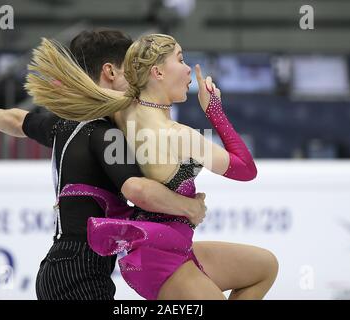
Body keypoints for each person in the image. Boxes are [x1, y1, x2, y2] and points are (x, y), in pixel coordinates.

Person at [0, 30, 207, 300]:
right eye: (131, 72)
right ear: (110, 72)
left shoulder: (65, 125)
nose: (138, 82)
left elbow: (18, 120)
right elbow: (137, 188)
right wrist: (189, 207)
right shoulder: (105, 133)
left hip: (60, 268)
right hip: (81, 270)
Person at [23, 34, 279, 300]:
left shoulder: (121, 111)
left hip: (167, 246)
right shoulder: (180, 136)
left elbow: (39, 115)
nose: (189, 68)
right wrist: (214, 110)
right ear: (157, 71)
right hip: (160, 256)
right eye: (181, 59)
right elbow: (246, 169)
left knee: (264, 266)